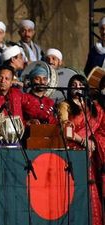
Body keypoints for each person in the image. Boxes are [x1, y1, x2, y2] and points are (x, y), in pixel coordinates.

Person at [58, 75, 103, 225]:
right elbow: (66, 129)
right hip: (73, 153)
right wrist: (83, 141)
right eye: (74, 84)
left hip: (90, 154)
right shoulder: (65, 105)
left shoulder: (93, 107)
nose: (77, 87)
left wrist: (94, 142)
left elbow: (99, 129)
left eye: (80, 84)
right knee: (76, 191)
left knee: (91, 189)